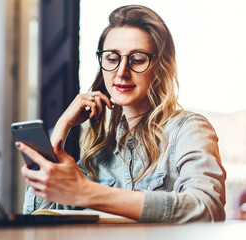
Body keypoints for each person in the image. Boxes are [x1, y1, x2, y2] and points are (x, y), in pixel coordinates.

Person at [16, 5, 226, 223]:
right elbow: (37, 219)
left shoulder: (189, 130)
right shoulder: (99, 154)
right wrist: (62, 126)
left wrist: (88, 192)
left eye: (137, 59)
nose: (122, 72)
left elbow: (207, 210)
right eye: (112, 58)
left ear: (160, 66)